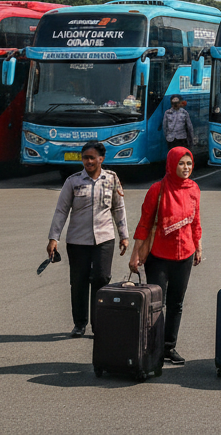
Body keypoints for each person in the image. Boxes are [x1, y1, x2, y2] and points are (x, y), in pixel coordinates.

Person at [46, 140, 129, 337]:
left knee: (101, 279)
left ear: (102, 158)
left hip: (104, 239)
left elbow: (118, 208)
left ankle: (99, 323)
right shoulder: (73, 181)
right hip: (77, 242)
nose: (88, 161)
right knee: (79, 282)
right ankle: (80, 324)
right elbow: (61, 211)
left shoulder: (111, 179)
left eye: (92, 158)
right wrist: (53, 238)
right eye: (85, 158)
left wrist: (124, 235)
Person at [129, 145, 202, 365]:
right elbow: (144, 224)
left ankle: (169, 347)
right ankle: (153, 347)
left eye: (189, 163)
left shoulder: (194, 189)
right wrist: (135, 254)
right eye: (181, 163)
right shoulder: (157, 189)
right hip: (159, 256)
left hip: (185, 255)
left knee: (176, 304)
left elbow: (196, 221)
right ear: (171, 164)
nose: (186, 167)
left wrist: (198, 247)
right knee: (155, 305)